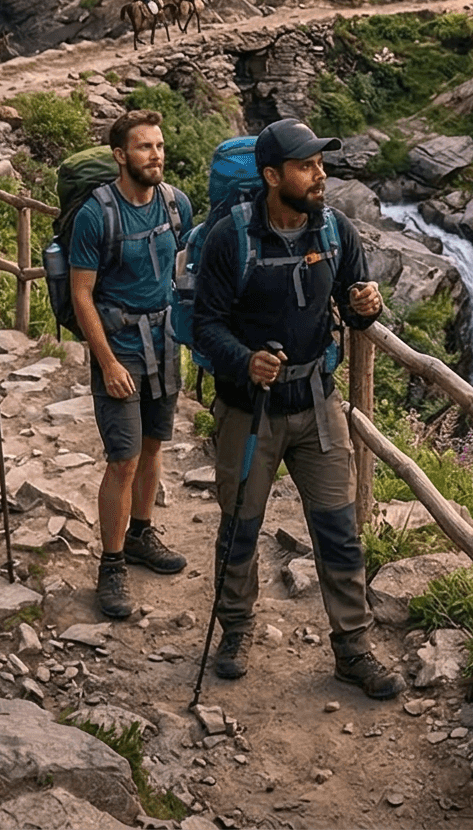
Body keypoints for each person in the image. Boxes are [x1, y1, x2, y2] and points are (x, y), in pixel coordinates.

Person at [192, 118, 404, 698]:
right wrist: (244, 361)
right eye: (306, 166)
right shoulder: (229, 239)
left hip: (317, 403)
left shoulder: (336, 232)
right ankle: (235, 628)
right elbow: (203, 325)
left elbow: (356, 309)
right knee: (240, 527)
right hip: (247, 409)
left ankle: (353, 650)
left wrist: (367, 305)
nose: (320, 175)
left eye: (320, 164)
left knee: (339, 530)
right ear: (271, 176)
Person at [65, 110, 195, 620]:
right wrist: (107, 362)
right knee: (122, 458)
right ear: (120, 155)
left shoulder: (174, 203)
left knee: (153, 445)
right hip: (119, 347)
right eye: (144, 147)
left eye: (159, 146)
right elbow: (81, 295)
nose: (156, 155)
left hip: (165, 342)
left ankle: (141, 532)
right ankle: (111, 563)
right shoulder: (96, 215)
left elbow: (182, 271)